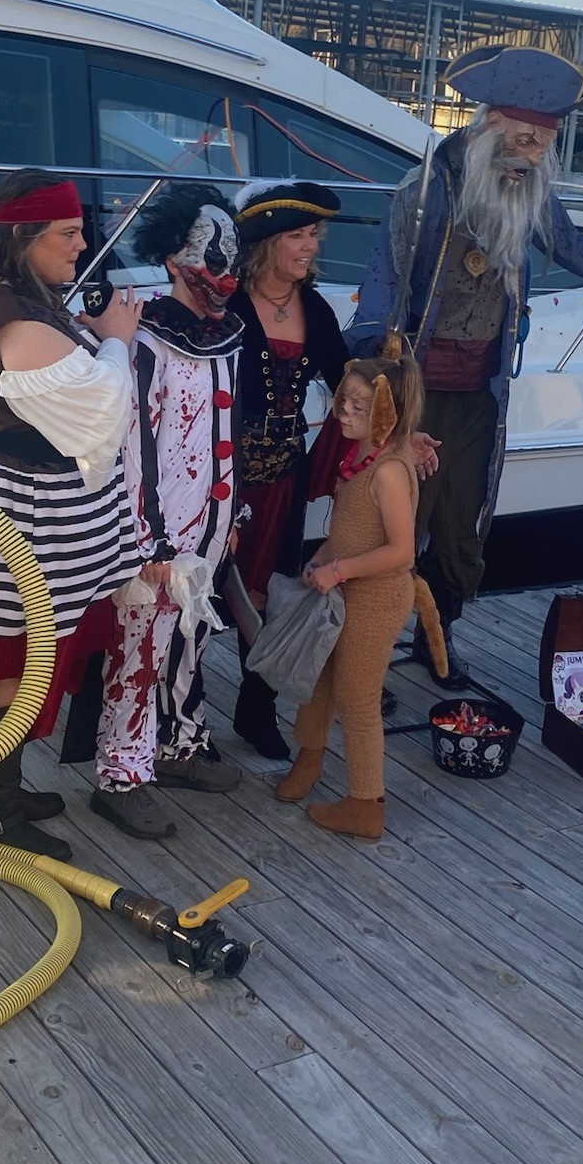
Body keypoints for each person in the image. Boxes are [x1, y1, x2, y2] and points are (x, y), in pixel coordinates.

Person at [347, 44, 583, 685]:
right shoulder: (426, 190)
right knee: (395, 521)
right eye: (525, 141)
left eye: (543, 144)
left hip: (482, 395)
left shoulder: (530, 193)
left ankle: (438, 641)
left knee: (462, 526)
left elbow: (580, 252)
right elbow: (387, 279)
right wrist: (371, 368)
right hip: (417, 390)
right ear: (489, 126)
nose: (535, 156)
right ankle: (366, 659)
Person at [0, 169, 141, 858]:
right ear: (26, 237)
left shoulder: (4, 296)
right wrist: (118, 339)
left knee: (16, 645)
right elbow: (102, 413)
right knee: (8, 648)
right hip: (10, 509)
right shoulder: (13, 317)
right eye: (67, 234)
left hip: (6, 497)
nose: (81, 245)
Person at [94, 182, 244, 835]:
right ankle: (121, 774)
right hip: (158, 540)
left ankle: (182, 741)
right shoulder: (148, 343)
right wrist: (149, 541)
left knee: (192, 640)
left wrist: (232, 517)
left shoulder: (229, 339)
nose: (224, 273)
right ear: (177, 260)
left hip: (206, 533)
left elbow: (225, 435)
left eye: (230, 257)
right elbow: (136, 448)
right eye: (212, 257)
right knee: (140, 650)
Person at [274, 347, 444, 842]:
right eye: (343, 403)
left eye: (358, 407)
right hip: (342, 587)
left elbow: (401, 552)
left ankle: (366, 803)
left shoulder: (389, 471)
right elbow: (352, 529)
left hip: (376, 597)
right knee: (319, 678)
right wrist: (324, 555)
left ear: (387, 414)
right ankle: (309, 755)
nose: (343, 413)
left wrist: (340, 568)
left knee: (357, 697)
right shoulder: (363, 454)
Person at [229, 180, 350, 760]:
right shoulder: (225, 304)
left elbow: (348, 382)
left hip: (284, 479)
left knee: (272, 595)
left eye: (313, 236)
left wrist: (400, 422)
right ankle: (179, 723)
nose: (309, 247)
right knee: (203, 594)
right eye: (297, 236)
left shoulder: (316, 309)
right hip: (222, 480)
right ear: (264, 243)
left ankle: (255, 714)